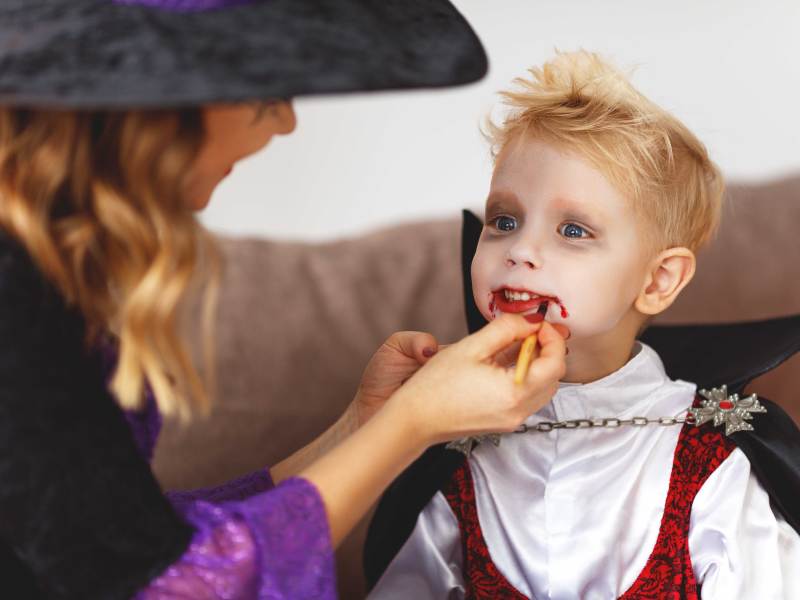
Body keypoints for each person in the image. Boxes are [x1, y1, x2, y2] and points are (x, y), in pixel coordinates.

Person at [0, 2, 572, 598]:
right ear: (163, 107)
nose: (286, 126)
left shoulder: (42, 271)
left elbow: (121, 545)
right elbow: (171, 583)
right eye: (268, 93)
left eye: (574, 232)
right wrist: (413, 422)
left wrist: (364, 426)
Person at [366, 51, 800, 599]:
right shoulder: (450, 452)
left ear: (659, 280)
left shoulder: (715, 461)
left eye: (573, 230)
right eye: (504, 220)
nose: (520, 250)